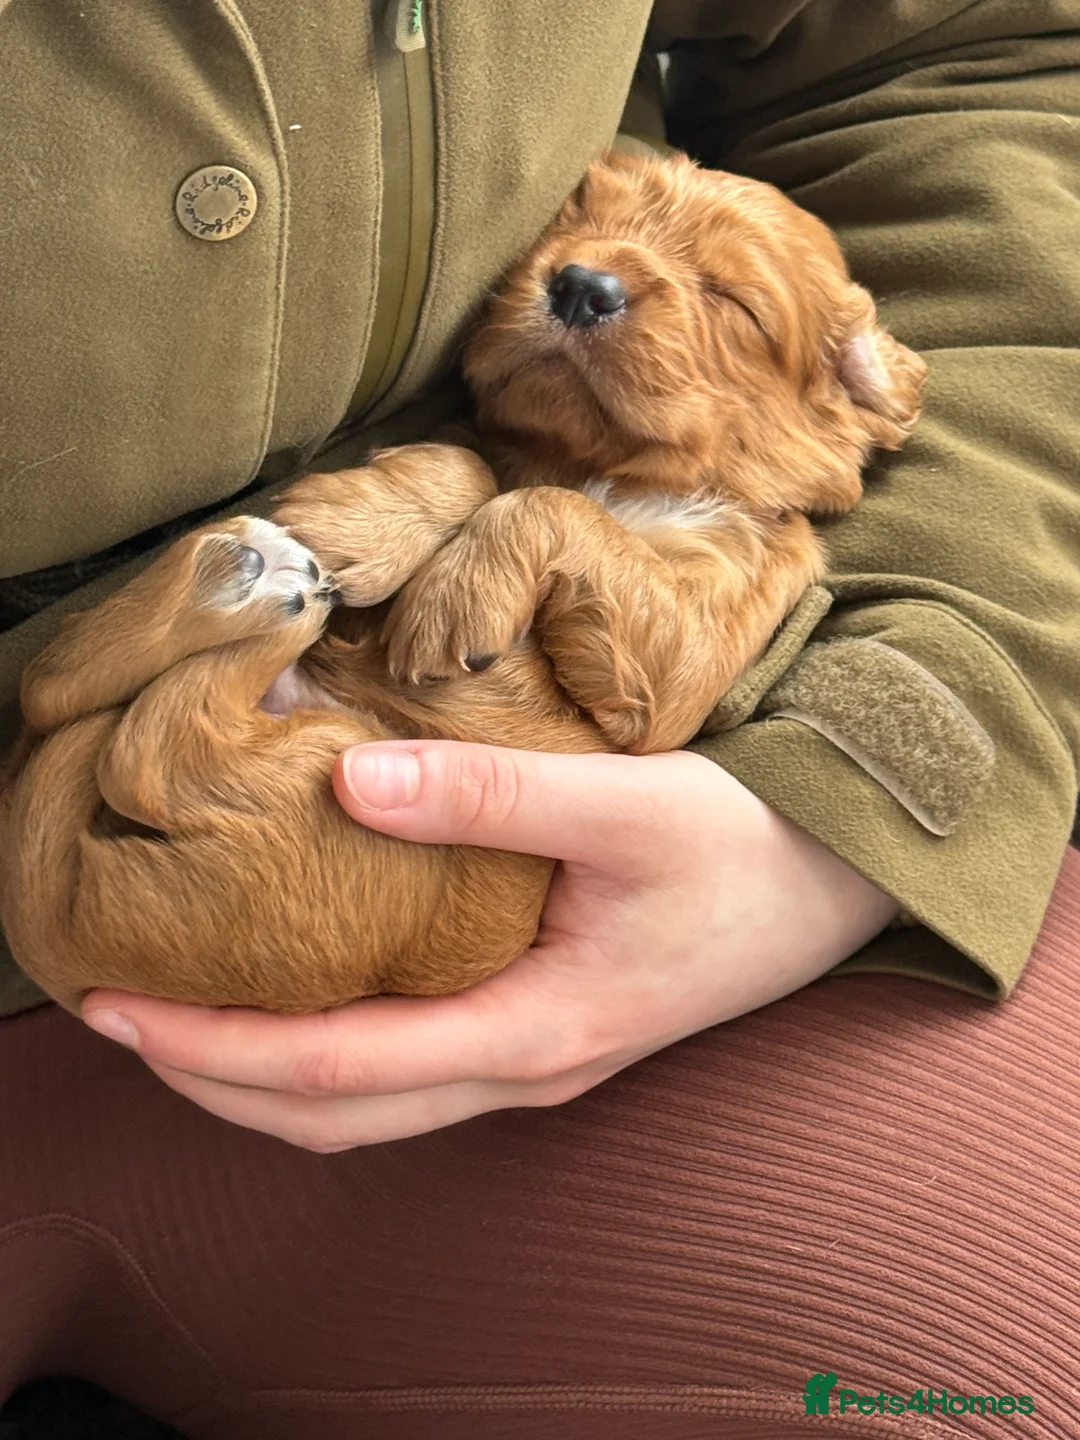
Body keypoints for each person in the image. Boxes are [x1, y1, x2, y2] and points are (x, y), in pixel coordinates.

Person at [1, 2, 1078, 1436]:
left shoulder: (718, 532)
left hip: (542, 917)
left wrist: (855, 781)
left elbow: (956, 53)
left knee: (1001, 1379)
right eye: (583, 225)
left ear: (856, 388)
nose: (590, 269)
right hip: (162, 820)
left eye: (728, 304)